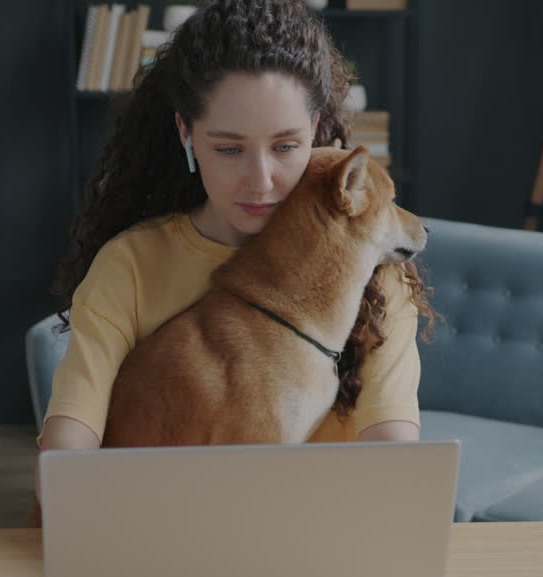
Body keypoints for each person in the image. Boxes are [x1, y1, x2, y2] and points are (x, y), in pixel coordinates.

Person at [38, 0, 439, 486]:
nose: (261, 181)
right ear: (187, 133)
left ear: (314, 132)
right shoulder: (132, 266)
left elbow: (395, 464)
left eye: (285, 146)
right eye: (229, 149)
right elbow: (64, 467)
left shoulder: (375, 275)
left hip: (328, 545)